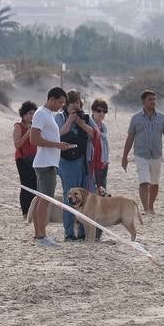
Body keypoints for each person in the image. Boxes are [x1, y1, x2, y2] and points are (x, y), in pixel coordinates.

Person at [120, 90, 164, 214]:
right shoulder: (136, 118)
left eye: (154, 99)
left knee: (154, 183)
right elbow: (130, 137)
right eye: (150, 99)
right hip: (141, 155)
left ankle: (151, 205)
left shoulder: (161, 118)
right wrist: (125, 156)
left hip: (156, 155)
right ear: (143, 101)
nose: (153, 101)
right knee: (144, 181)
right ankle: (146, 209)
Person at [30, 87, 71, 247]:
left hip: (48, 161)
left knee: (42, 199)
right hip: (45, 163)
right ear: (52, 99)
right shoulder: (41, 113)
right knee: (45, 200)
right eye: (60, 102)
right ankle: (41, 235)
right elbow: (34, 139)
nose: (61, 106)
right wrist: (56, 145)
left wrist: (59, 145)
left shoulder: (47, 115)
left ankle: (39, 234)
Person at [57, 90, 96, 241]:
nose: (75, 105)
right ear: (66, 104)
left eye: (77, 102)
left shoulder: (85, 118)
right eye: (72, 102)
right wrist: (70, 121)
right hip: (67, 162)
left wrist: (81, 123)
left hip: (84, 161)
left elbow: (95, 134)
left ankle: (83, 232)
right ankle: (69, 233)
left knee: (86, 196)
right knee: (70, 196)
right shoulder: (60, 117)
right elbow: (58, 134)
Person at [12, 102, 39, 218]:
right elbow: (17, 144)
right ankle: (25, 212)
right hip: (22, 159)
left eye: (33, 113)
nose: (31, 115)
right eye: (29, 113)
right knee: (26, 185)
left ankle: (34, 211)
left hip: (36, 158)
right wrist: (27, 134)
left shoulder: (36, 125)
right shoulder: (18, 126)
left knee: (36, 185)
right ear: (23, 114)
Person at [88, 98, 110, 193]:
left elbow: (105, 145)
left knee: (102, 189)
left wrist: (106, 160)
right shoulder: (88, 123)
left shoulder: (103, 127)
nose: (102, 113)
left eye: (104, 111)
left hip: (103, 162)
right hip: (91, 161)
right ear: (93, 111)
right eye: (99, 110)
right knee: (92, 189)